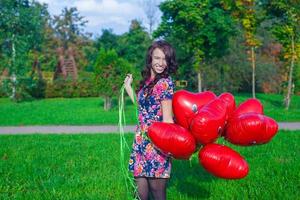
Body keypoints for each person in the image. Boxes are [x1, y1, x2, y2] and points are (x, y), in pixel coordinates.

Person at [124, 40, 178, 200]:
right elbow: (143, 108)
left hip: (156, 144)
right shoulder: (147, 82)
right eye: (157, 58)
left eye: (165, 59)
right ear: (150, 59)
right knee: (139, 194)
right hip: (140, 142)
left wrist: (171, 147)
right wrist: (128, 88)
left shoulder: (165, 83)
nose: (161, 63)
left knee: (157, 193)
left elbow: (168, 119)